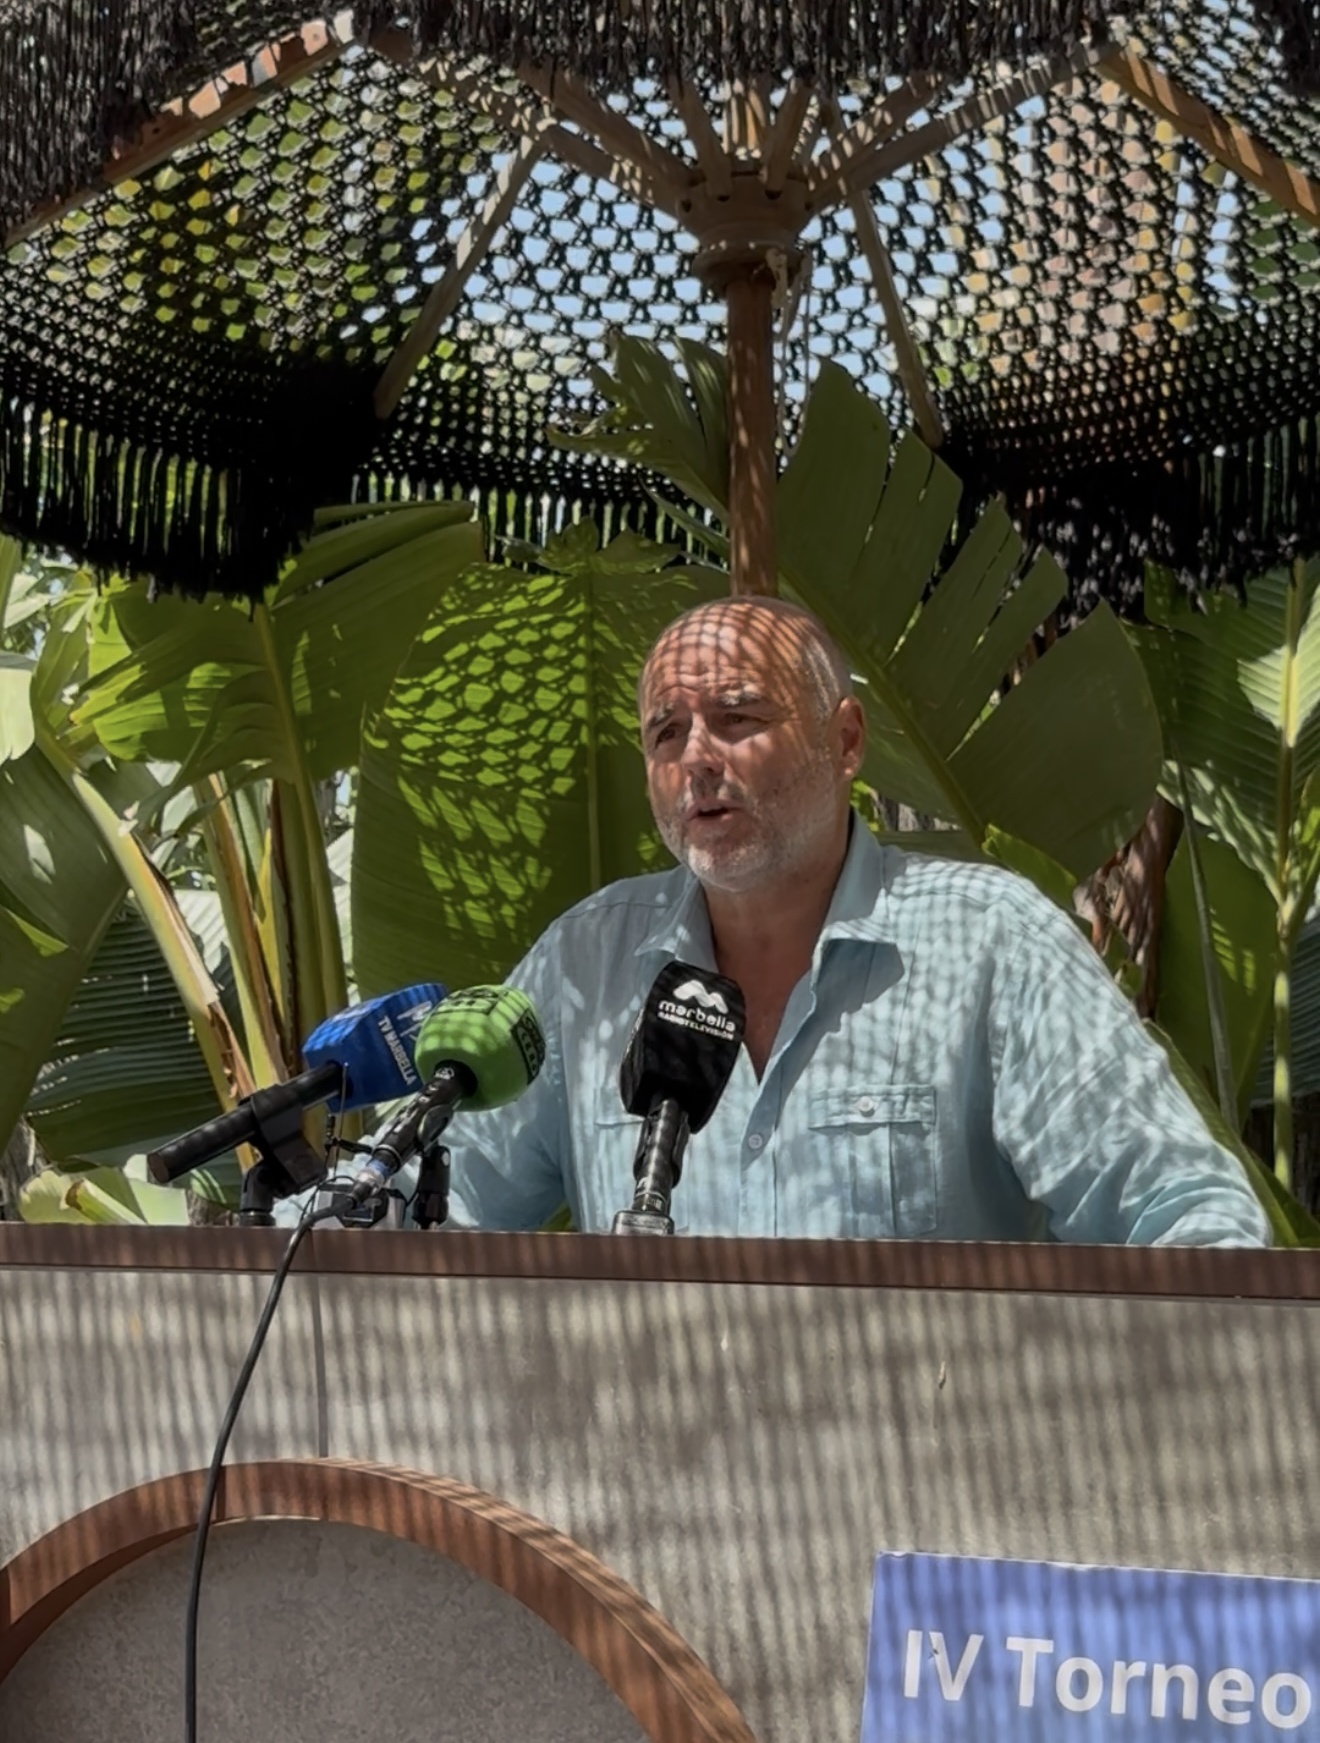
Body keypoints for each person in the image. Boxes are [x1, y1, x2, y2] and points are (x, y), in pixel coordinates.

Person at [444, 597, 1271, 1244]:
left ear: (844, 741)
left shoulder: (989, 942)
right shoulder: (587, 965)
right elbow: (433, 1205)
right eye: (666, 732)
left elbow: (1186, 1212)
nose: (695, 757)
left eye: (737, 718)